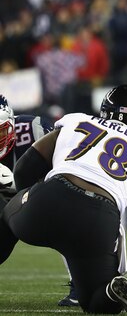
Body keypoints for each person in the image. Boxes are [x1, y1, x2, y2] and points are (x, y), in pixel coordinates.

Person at [0, 85, 127, 315]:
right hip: (99, 221)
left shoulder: (77, 122)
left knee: (6, 211)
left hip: (52, 198)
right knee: (94, 302)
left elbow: (23, 170)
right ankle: (113, 290)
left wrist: (28, 198)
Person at [0, 95, 82, 306]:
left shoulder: (33, 129)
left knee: (66, 210)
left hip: (37, 197)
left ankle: (80, 284)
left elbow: (64, 173)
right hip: (5, 209)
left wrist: (17, 182)